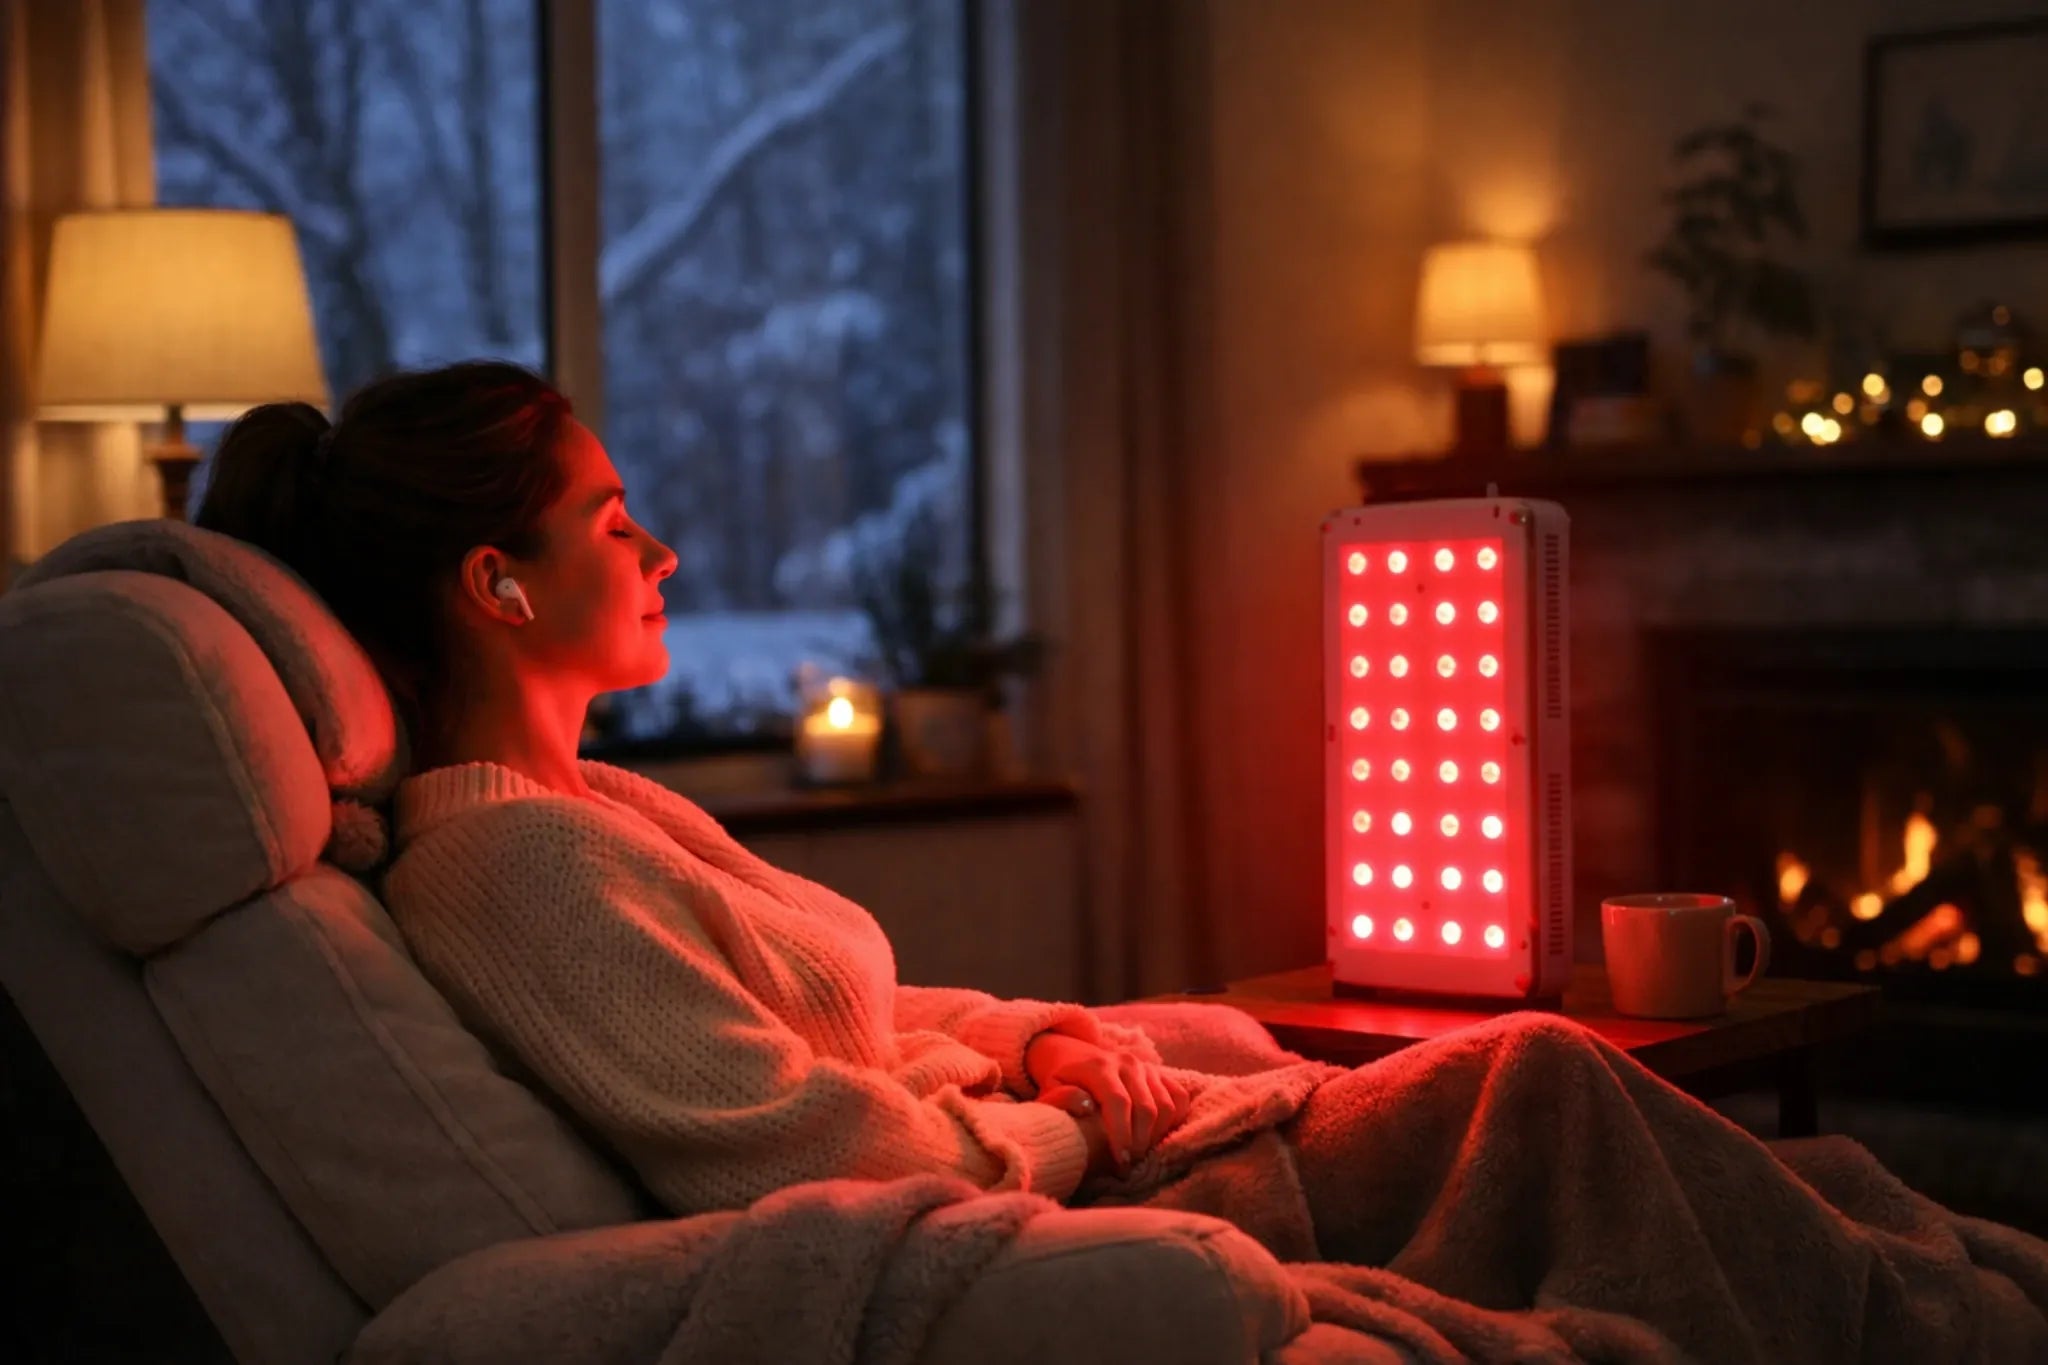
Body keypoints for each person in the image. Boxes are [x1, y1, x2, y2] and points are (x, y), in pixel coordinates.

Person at [198, 362, 2048, 1363]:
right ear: (499, 583)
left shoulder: (592, 811)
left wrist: (1041, 1035)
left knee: (1684, 1140)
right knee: (1551, 1076)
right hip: (1110, 1202)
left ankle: (1958, 1293)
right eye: (615, 517)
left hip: (1096, 1131)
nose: (664, 545)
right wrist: (1080, 1118)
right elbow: (810, 1144)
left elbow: (858, 1018)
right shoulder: (507, 869)